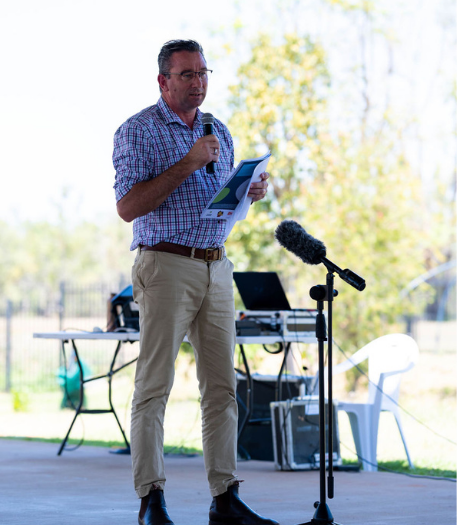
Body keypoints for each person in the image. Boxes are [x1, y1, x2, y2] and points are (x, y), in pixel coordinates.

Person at [113, 39, 277, 525]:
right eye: (186, 74)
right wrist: (186, 162)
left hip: (217, 265)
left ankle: (224, 498)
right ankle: (151, 500)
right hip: (165, 266)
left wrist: (249, 191)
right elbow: (128, 207)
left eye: (203, 72)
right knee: (154, 387)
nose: (198, 82)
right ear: (163, 81)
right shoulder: (137, 131)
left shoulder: (218, 131)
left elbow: (220, 205)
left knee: (223, 389)